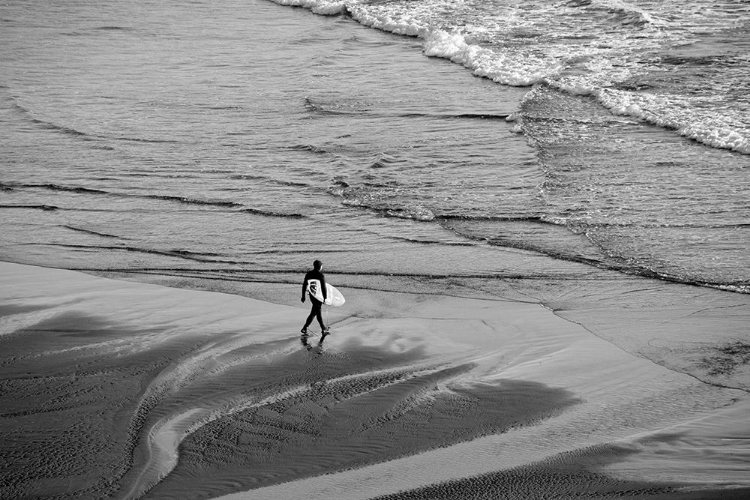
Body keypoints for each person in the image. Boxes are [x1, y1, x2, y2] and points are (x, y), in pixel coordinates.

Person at [301, 259, 328, 336]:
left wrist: (303, 296)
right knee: (315, 312)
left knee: (316, 311)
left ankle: (322, 327)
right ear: (320, 266)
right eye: (321, 266)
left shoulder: (309, 274)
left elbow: (304, 285)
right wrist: (325, 298)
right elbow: (323, 287)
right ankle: (305, 327)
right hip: (318, 296)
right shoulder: (320, 275)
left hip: (312, 295)